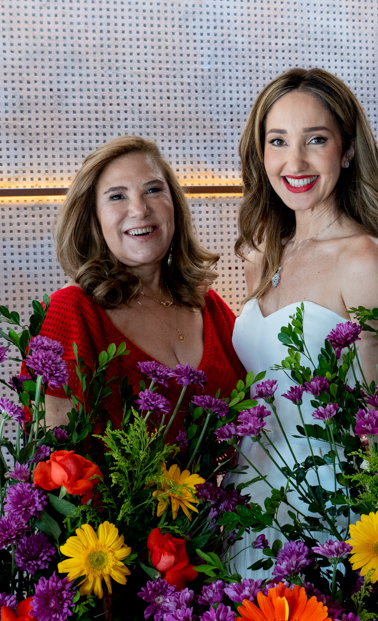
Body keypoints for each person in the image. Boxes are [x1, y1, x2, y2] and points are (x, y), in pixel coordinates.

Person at [226, 68, 378, 572]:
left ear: (346, 150)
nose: (295, 161)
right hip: (252, 494)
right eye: (277, 141)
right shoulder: (261, 254)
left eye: (316, 140)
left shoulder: (365, 261)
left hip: (330, 506)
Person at [38, 136, 246, 446]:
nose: (139, 209)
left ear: (173, 203)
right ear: (93, 216)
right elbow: (58, 462)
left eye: (152, 190)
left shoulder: (209, 306)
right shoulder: (73, 310)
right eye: (117, 196)